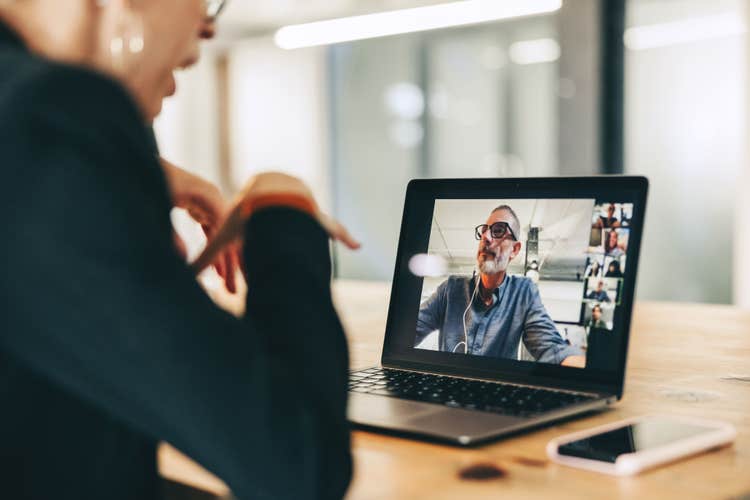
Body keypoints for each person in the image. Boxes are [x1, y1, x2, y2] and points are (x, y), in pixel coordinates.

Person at [0, 1, 359, 499]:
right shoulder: (48, 117)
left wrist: (121, 176)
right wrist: (282, 209)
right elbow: (299, 464)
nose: (208, 26)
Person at [416, 205, 585, 367]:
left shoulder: (523, 293)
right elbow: (410, 329)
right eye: (483, 231)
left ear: (515, 250)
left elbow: (553, 349)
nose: (486, 238)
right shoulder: (450, 289)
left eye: (498, 231)